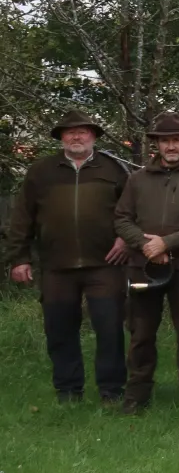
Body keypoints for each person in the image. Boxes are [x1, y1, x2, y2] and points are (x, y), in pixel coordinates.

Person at [6, 110, 130, 404]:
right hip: (56, 265)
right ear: (61, 137)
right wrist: (19, 257)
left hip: (106, 264)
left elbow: (132, 209)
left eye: (82, 131)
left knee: (110, 328)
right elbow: (22, 217)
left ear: (93, 135)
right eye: (70, 132)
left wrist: (126, 238)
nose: (76, 136)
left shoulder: (114, 169)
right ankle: (68, 390)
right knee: (59, 329)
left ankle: (111, 390)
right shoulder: (41, 171)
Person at [113, 112, 179, 414]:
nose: (171, 146)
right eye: (165, 141)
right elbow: (121, 218)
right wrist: (146, 245)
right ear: (156, 145)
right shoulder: (137, 179)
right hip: (142, 267)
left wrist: (167, 243)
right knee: (141, 333)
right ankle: (136, 396)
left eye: (176, 140)